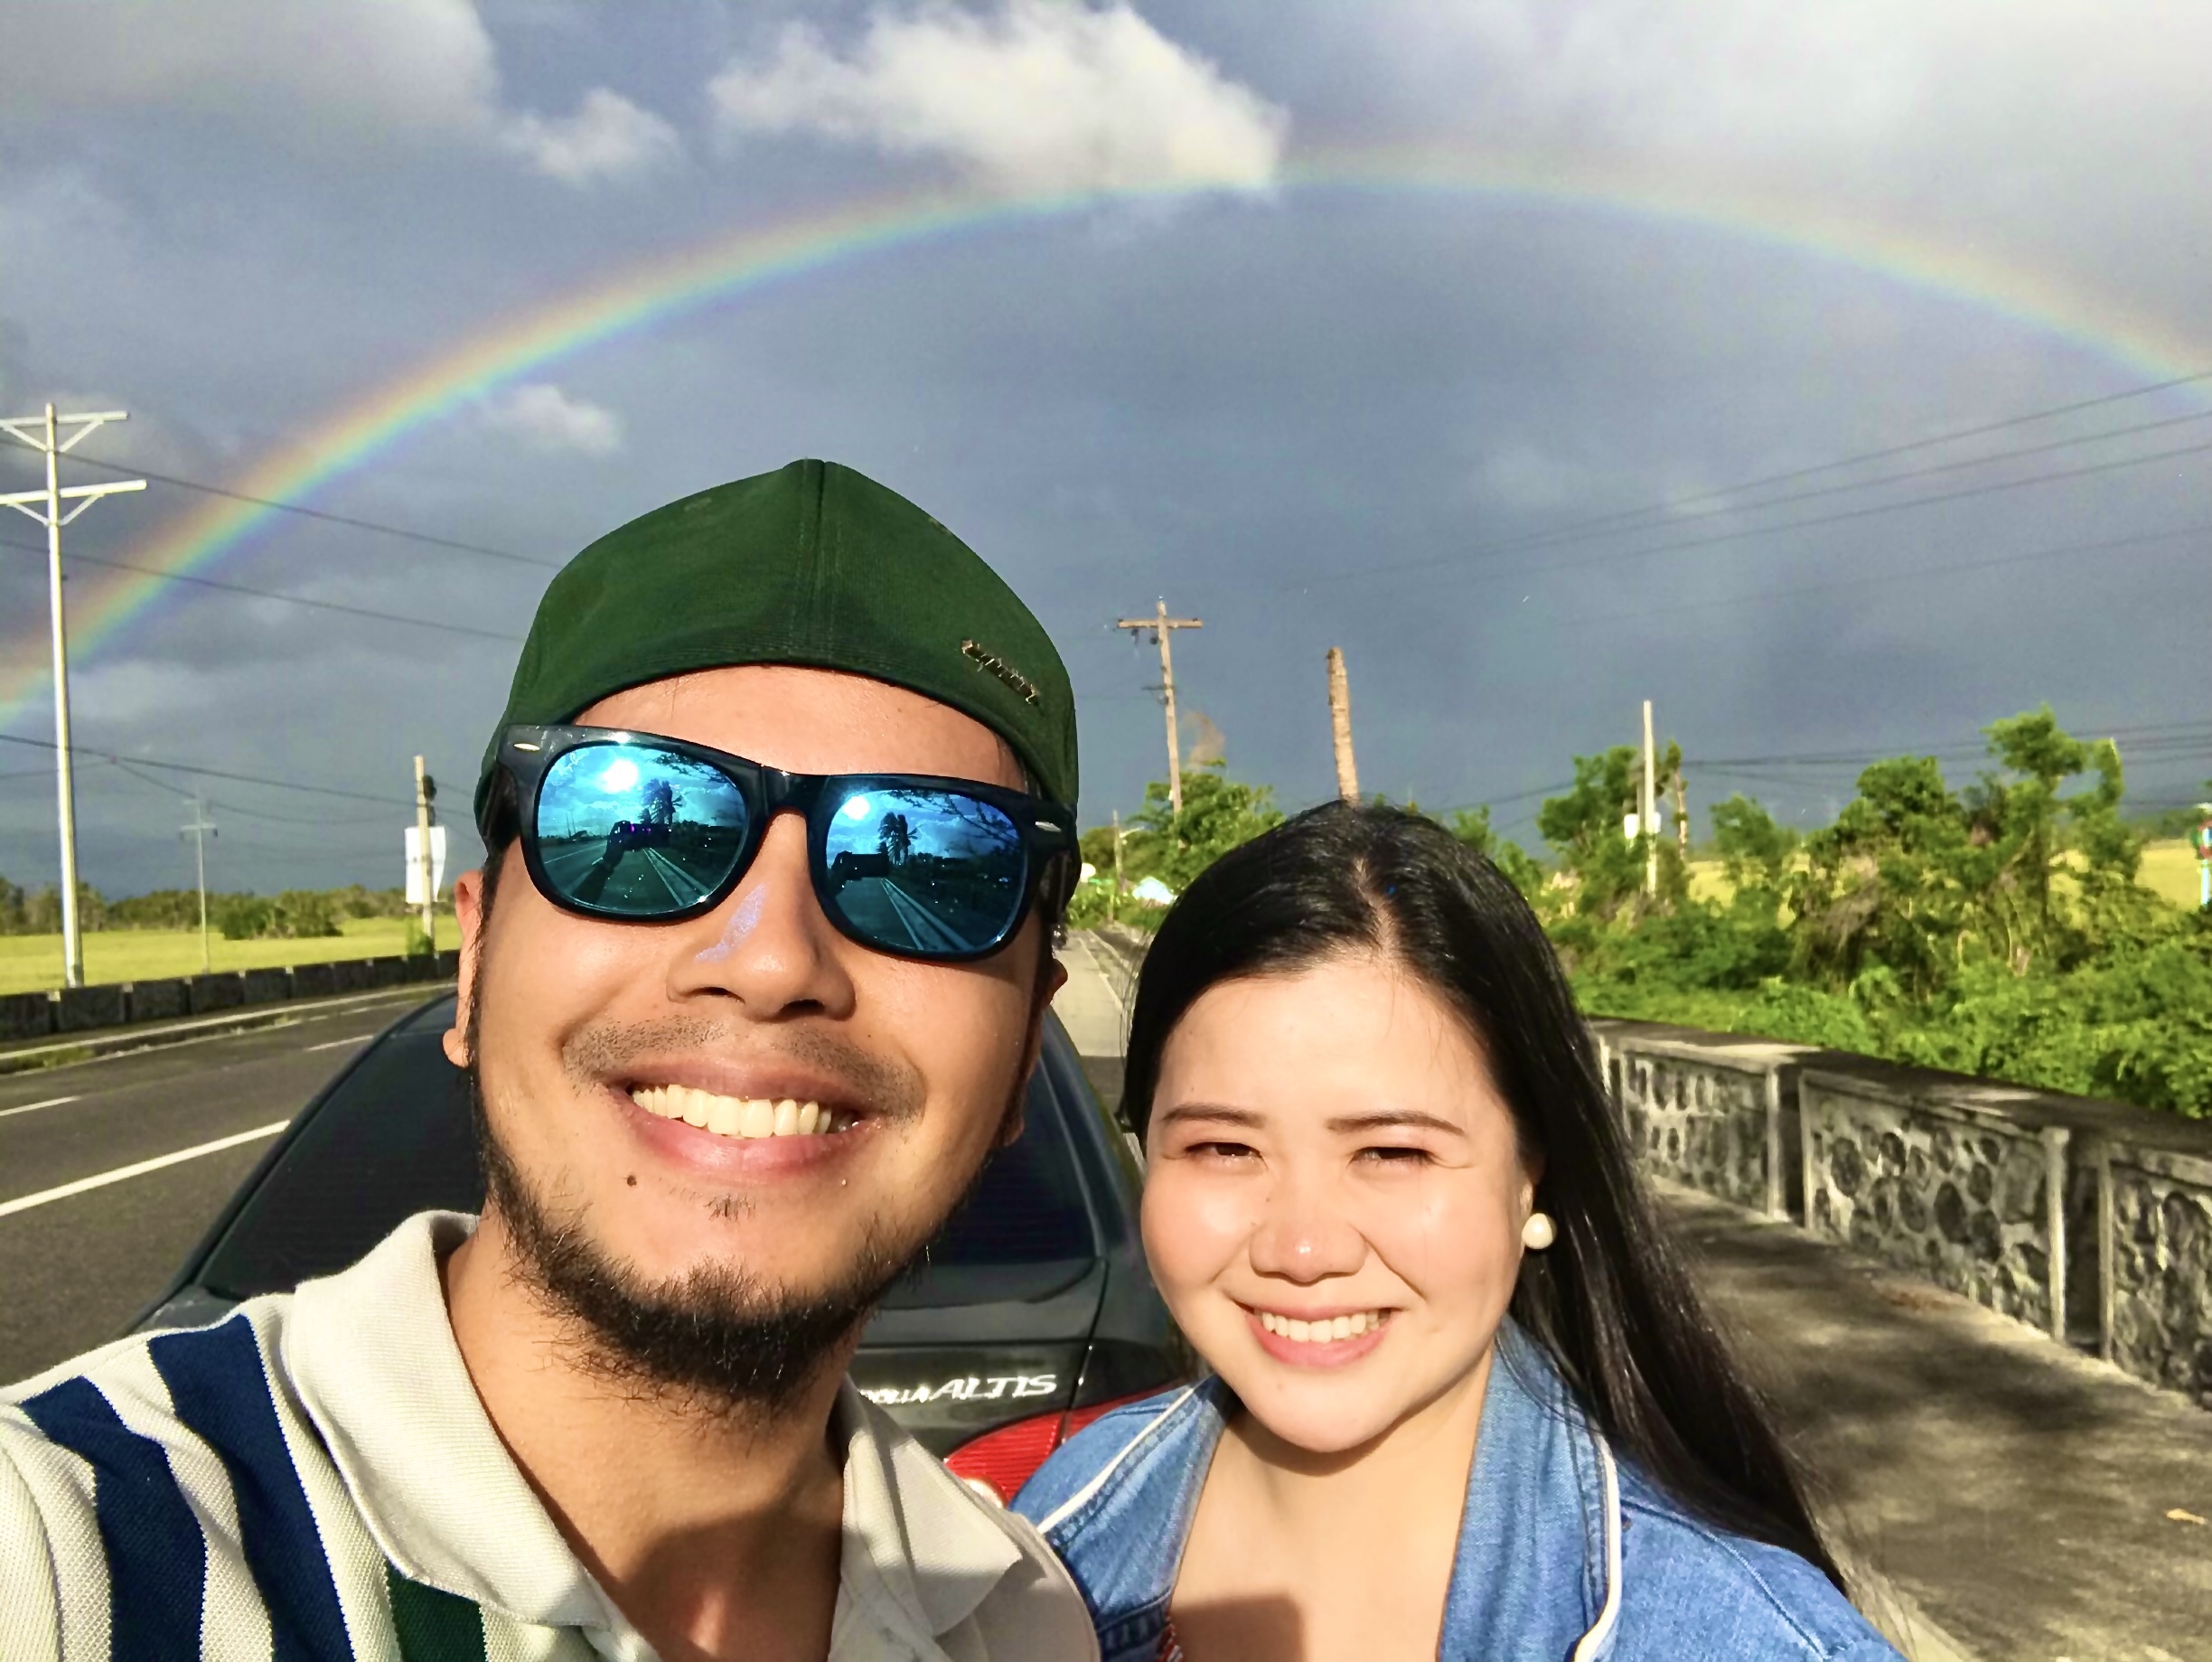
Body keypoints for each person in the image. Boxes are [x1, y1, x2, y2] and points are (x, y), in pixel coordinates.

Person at [1, 460, 1102, 1662]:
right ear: (475, 960)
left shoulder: (1022, 1618)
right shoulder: (67, 1541)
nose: (772, 956)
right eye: (635, 810)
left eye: (942, 856)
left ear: (1025, 1045)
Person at [1015, 802, 1906, 1662]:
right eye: (1224, 1147)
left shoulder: (1736, 1636)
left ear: (1530, 1174)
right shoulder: (1051, 1545)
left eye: (1392, 1152)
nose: (1302, 1250)